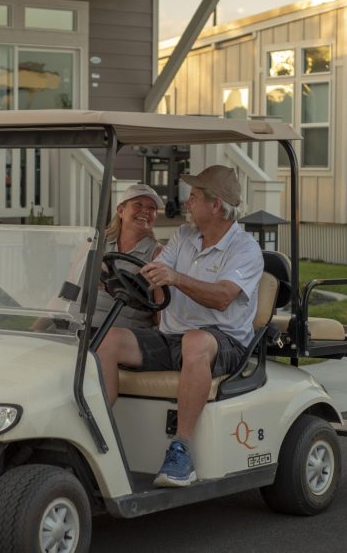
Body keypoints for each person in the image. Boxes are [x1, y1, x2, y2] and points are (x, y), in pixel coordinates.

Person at [96, 165, 263, 488]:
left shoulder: (244, 248)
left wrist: (175, 278)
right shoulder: (185, 236)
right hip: (172, 337)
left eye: (194, 197)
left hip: (224, 342)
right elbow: (155, 272)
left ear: (216, 204)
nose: (187, 203)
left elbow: (222, 298)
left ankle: (181, 450)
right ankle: (97, 433)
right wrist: (117, 277)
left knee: (195, 341)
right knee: (108, 340)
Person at [92, 183, 165, 329]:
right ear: (120, 211)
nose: (145, 211)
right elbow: (70, 286)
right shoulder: (96, 242)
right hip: (78, 321)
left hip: (120, 329)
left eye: (152, 208)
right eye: (138, 204)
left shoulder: (158, 254)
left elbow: (162, 311)